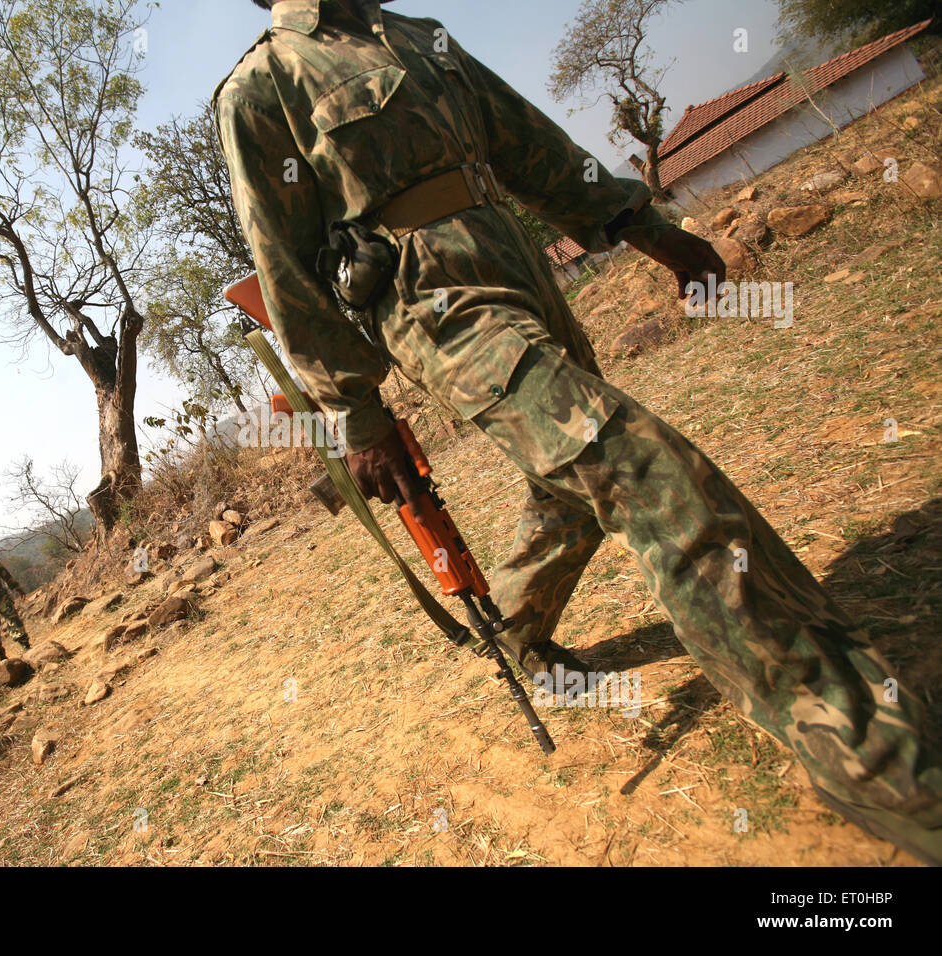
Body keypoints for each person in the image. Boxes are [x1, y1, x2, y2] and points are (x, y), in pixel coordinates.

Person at [213, 0, 941, 863]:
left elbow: (533, 147)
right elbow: (285, 269)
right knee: (645, 474)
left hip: (521, 275)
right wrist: (357, 412)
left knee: (566, 488)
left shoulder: (414, 33)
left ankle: (514, 627)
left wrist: (647, 229)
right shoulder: (263, 85)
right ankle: (883, 763)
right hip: (439, 309)